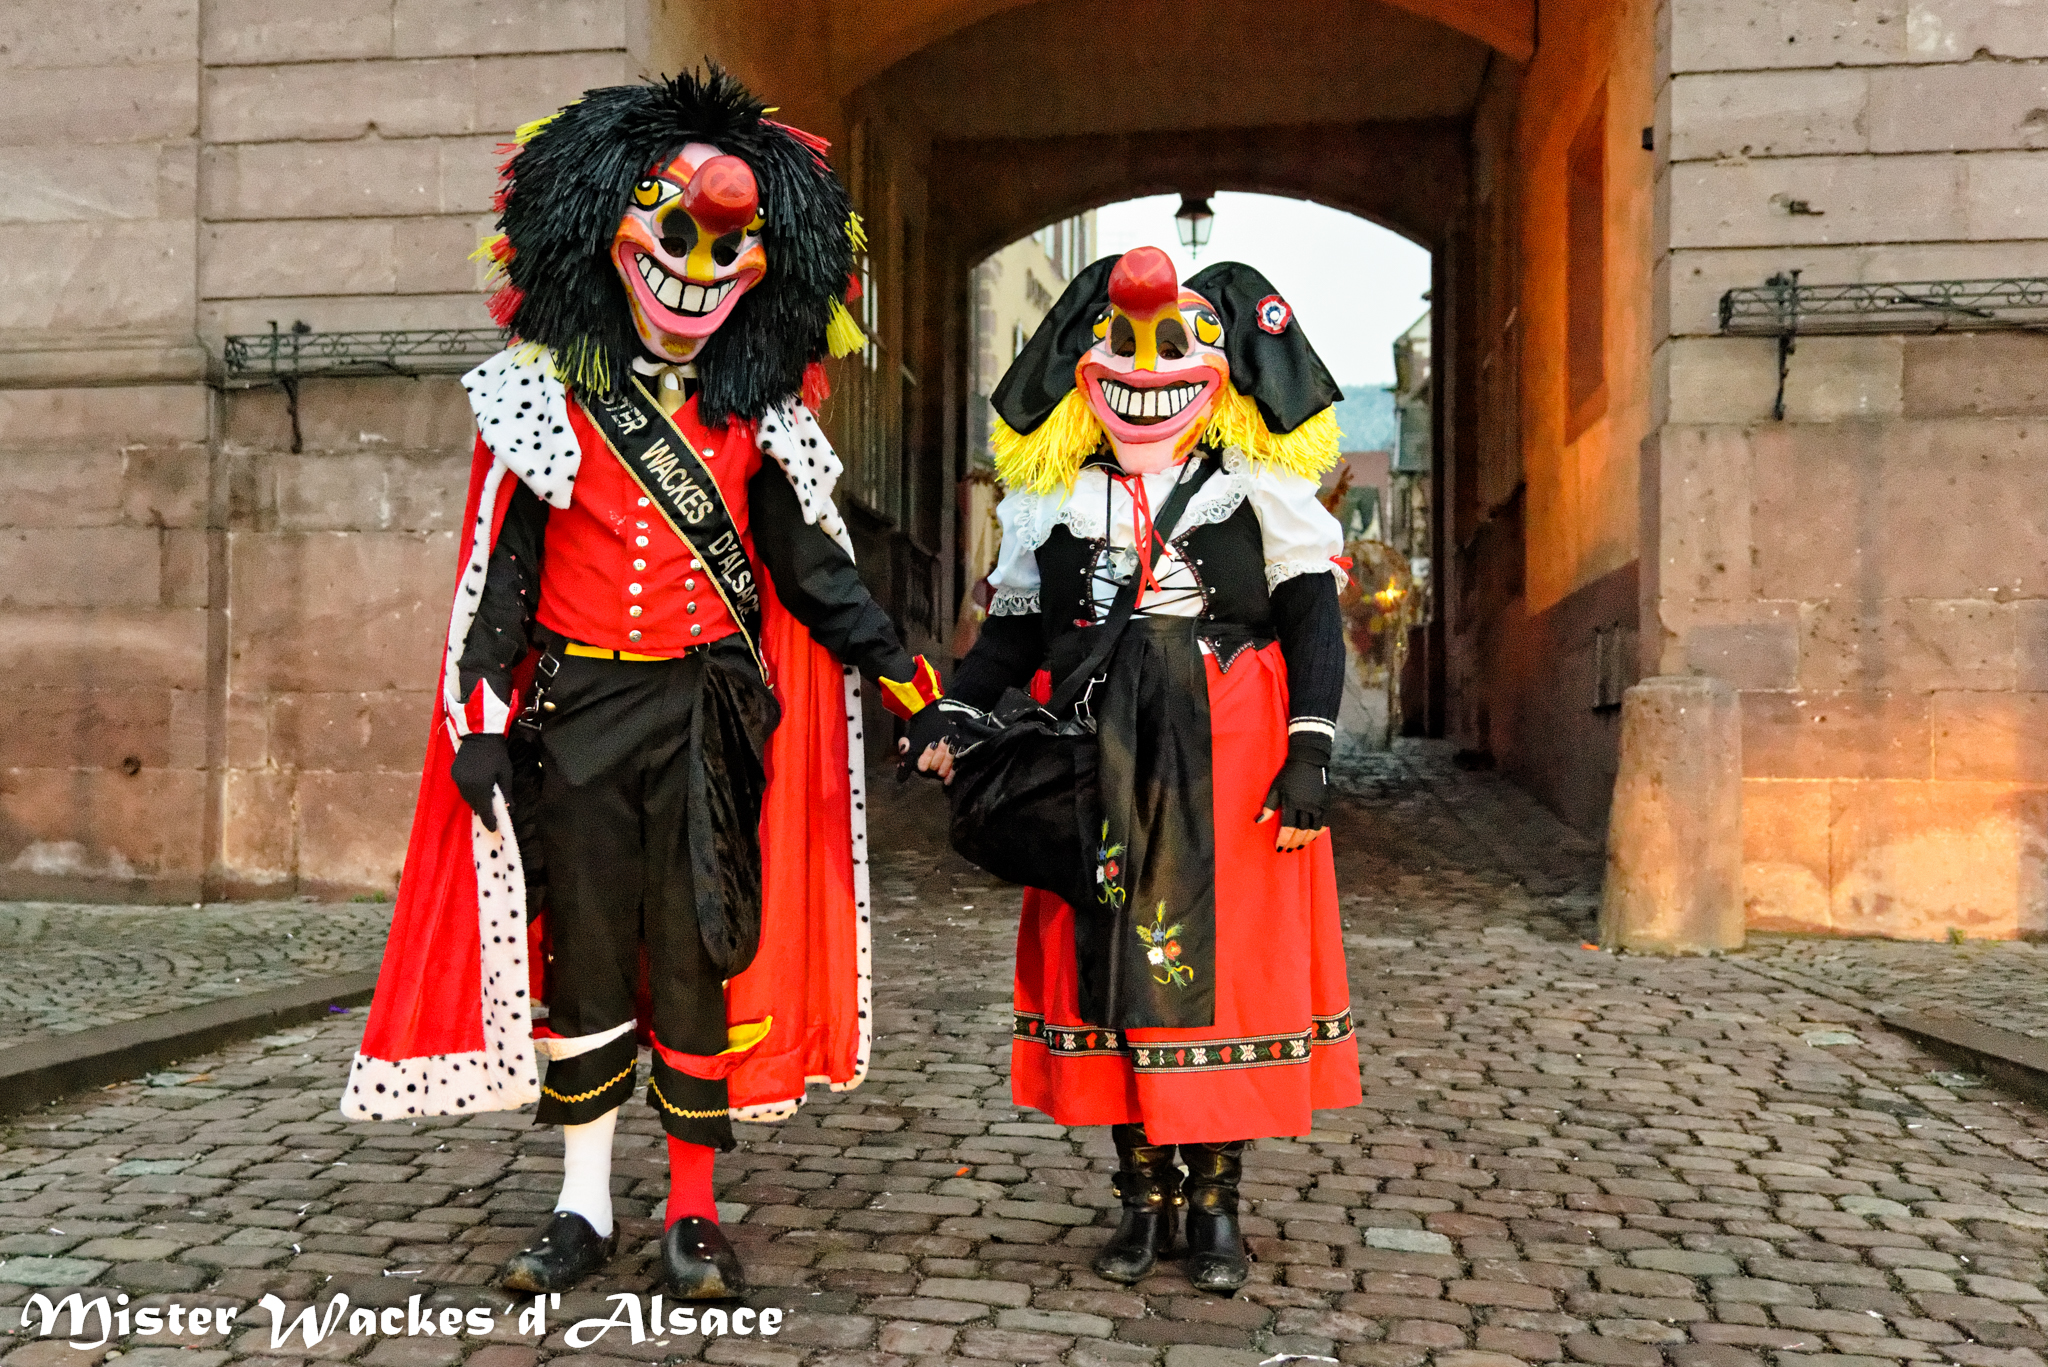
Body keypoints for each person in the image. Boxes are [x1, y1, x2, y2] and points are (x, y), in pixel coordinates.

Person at [342, 67, 943, 1300]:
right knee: (588, 956)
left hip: (705, 719)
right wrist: (480, 717)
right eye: (673, 228)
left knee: (696, 950)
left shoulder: (749, 422)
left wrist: (906, 679)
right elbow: (496, 576)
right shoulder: (541, 401)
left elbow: (811, 571)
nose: (697, 262)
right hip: (574, 718)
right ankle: (578, 1200)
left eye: (730, 243)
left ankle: (691, 1209)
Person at [908, 247, 1361, 1292]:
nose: (1145, 366)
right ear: (1085, 359)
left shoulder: (1259, 489)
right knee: (1108, 964)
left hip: (1230, 748)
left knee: (1221, 981)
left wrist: (1310, 750)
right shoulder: (1054, 499)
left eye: (1175, 343)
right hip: (1094, 750)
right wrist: (960, 708)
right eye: (1122, 341)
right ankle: (1139, 1195)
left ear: (1225, 367)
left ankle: (1214, 1207)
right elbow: (1010, 633)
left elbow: (1310, 618)